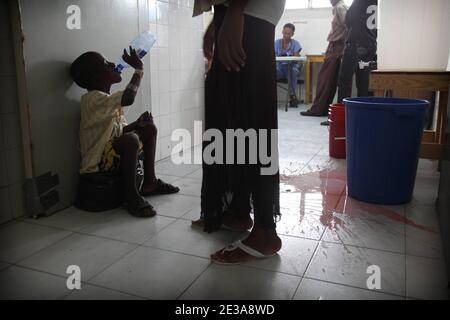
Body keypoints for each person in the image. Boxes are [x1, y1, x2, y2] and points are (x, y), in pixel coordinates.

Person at [192, 0, 285, 264]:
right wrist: (219, 18)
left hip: (249, 10)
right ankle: (238, 209)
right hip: (238, 9)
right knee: (229, 121)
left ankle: (265, 231)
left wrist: (235, 11)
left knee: (252, 124)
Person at [70, 49, 179, 217]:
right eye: (106, 64)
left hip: (110, 152)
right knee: (131, 140)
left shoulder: (106, 101)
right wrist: (138, 69)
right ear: (95, 77)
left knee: (149, 129)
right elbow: (129, 98)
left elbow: (116, 132)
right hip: (97, 163)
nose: (113, 65)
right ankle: (131, 197)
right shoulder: (92, 99)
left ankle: (150, 182)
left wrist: (137, 124)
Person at [301, 0, 348, 117]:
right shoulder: (340, 7)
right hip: (337, 46)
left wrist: (342, 46)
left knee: (325, 79)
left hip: (337, 46)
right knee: (329, 80)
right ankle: (323, 109)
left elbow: (348, 26)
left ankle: (318, 109)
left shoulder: (339, 7)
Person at [337, 0, 377, 102]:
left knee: (344, 81)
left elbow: (348, 19)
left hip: (355, 44)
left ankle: (343, 114)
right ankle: (363, 113)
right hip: (371, 44)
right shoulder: (377, 3)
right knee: (363, 83)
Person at [275, 23, 302, 108]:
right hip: (280, 68)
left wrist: (290, 56)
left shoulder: (295, 43)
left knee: (292, 72)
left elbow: (296, 56)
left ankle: (292, 97)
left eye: (289, 33)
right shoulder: (277, 43)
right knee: (270, 71)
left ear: (292, 34)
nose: (286, 35)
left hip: (291, 67)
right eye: (285, 33)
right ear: (282, 31)